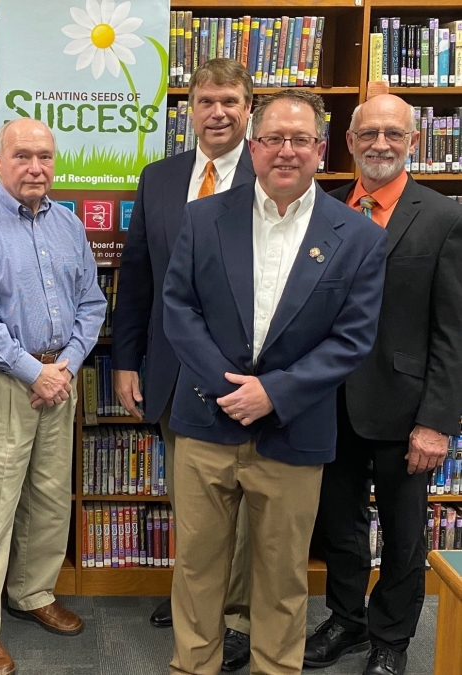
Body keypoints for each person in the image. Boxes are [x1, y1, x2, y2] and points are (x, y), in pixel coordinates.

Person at [162, 90, 387, 675]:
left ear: (321, 148)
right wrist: (229, 388)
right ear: (253, 145)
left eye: (300, 140)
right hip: (207, 423)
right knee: (196, 571)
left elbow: (352, 340)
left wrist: (275, 392)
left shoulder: (357, 237)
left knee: (282, 578)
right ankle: (193, 667)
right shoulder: (205, 216)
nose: (286, 152)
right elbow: (179, 310)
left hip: (294, 432)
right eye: (273, 140)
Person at [304, 93, 462, 675]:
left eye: (393, 134)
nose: (379, 144)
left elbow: (454, 331)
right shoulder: (324, 208)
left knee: (402, 534)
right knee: (338, 525)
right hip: (329, 401)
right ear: (347, 142)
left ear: (412, 142)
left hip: (405, 411)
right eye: (368, 134)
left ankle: (391, 640)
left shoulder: (444, 217)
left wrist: (438, 421)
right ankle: (346, 620)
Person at [0, 118, 106, 675]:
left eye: (45, 157)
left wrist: (66, 366)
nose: (36, 167)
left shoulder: (68, 223)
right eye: (22, 156)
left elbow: (93, 303)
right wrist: (32, 373)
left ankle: (33, 592)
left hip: (59, 374)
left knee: (50, 495)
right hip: (0, 380)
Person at [112, 57, 255, 670]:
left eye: (230, 101)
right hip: (172, 369)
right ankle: (198, 600)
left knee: (248, 503)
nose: (217, 112)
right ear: (189, 110)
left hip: (248, 373)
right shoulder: (160, 177)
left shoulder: (273, 171)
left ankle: (238, 617)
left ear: (248, 108)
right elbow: (137, 275)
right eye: (205, 101)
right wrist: (126, 361)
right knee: (191, 497)